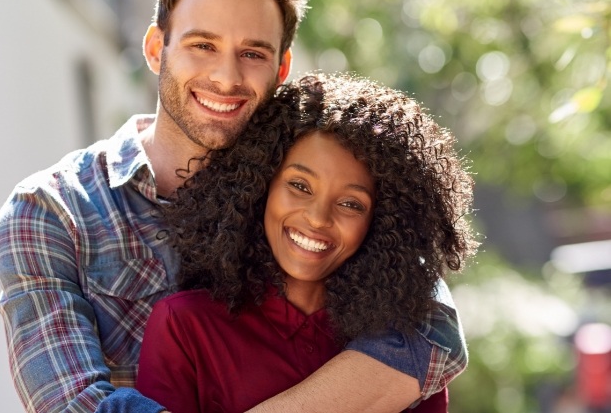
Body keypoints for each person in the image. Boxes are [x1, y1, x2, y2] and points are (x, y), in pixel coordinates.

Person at [0, 0, 467, 413]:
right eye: (203, 45)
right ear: (157, 48)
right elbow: (73, 404)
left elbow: (431, 329)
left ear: (281, 68)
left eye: (253, 53)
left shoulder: (298, 190)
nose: (226, 76)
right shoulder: (53, 210)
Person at [135, 73, 478, 413]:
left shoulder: (404, 351)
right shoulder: (183, 326)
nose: (318, 218)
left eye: (351, 204)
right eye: (300, 185)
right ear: (261, 184)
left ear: (383, 222)